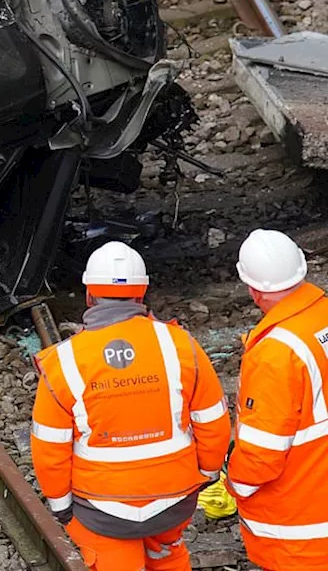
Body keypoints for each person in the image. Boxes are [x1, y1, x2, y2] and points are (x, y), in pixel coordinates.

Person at [30, 241, 231, 570]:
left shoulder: (63, 361)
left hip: (101, 510)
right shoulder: (180, 345)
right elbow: (213, 420)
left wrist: (61, 505)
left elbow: (49, 447)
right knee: (168, 557)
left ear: (89, 295)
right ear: (141, 295)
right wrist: (206, 474)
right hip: (174, 500)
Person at [226, 229, 328, 570]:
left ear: (254, 290)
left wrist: (234, 484)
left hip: (303, 533)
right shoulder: (322, 318)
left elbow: (261, 453)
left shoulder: (276, 353)